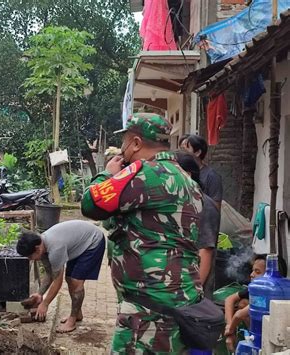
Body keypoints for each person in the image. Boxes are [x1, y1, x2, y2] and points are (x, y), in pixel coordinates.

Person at [81, 112, 203, 354]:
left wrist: (107, 173)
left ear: (136, 143)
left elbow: (90, 204)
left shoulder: (142, 174)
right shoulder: (189, 182)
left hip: (147, 310)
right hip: (181, 302)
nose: (123, 149)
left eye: (125, 141)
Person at [16, 220, 105, 333]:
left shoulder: (55, 250)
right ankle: (77, 314)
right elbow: (50, 273)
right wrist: (40, 294)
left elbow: (57, 281)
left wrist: (45, 304)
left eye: (30, 256)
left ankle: (72, 321)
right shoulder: (42, 246)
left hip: (93, 241)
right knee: (70, 279)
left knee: (76, 281)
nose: (30, 259)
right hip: (79, 242)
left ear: (37, 248)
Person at [175, 151, 220, 299]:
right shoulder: (179, 201)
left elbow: (205, 251)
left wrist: (193, 293)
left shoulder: (204, 205)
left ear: (187, 175)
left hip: (190, 291)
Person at [224, 254, 287, 352]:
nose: (251, 274)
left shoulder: (268, 291)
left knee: (243, 305)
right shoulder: (256, 288)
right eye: (252, 270)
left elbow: (238, 315)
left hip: (272, 339)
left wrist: (230, 332)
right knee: (243, 303)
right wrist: (229, 325)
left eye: (257, 272)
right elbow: (229, 299)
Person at [179, 134, 223, 208]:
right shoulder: (178, 171)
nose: (182, 153)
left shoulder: (212, 177)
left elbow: (215, 208)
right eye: (181, 149)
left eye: (186, 149)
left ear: (198, 152)